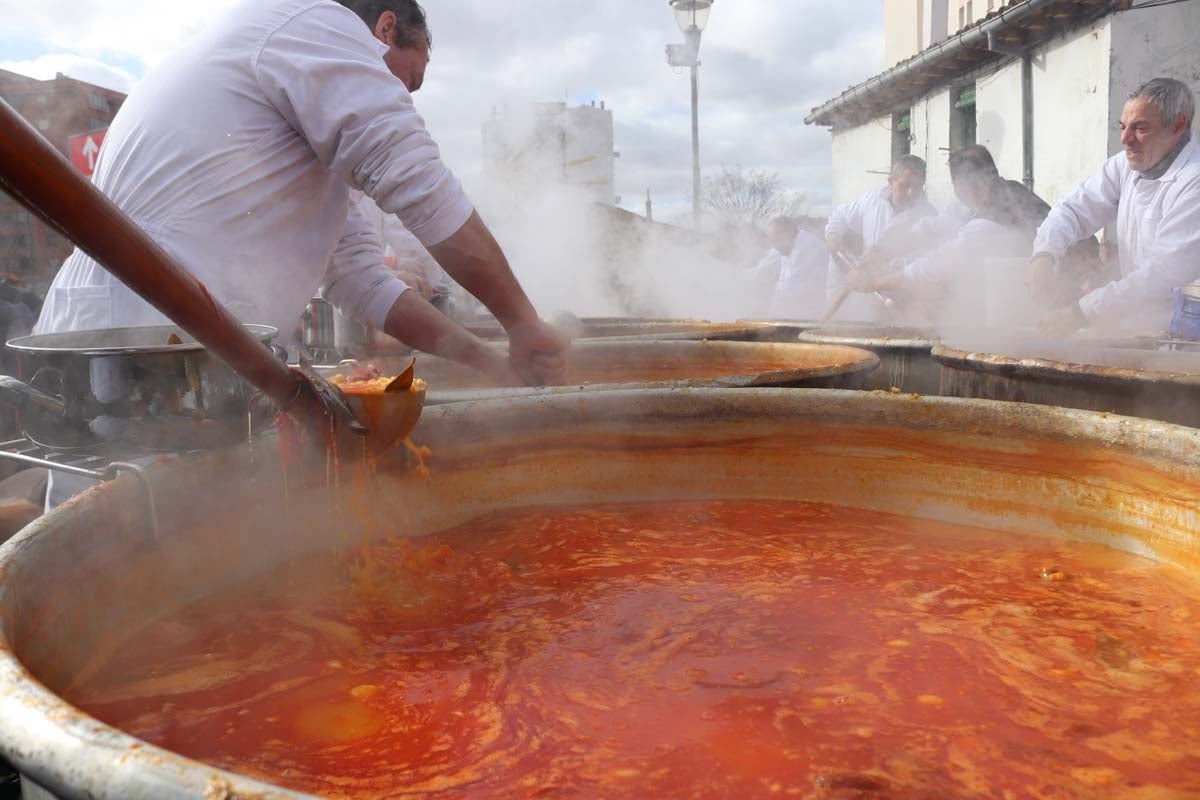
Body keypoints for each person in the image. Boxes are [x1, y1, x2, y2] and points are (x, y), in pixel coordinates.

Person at [34, 0, 568, 387]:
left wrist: (490, 362)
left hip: (173, 348)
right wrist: (521, 322)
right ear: (384, 29)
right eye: (411, 78)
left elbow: (359, 279)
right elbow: (417, 180)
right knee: (133, 533)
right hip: (148, 339)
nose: (404, 98)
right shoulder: (311, 24)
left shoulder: (304, 121)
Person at [847, 146, 1097, 323]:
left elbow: (934, 266)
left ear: (962, 185)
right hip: (1050, 302)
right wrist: (881, 250)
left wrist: (873, 283)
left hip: (1062, 309)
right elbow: (936, 226)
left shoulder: (992, 219)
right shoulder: (1001, 192)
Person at [1030, 77, 1200, 336]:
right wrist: (1044, 255)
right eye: (1123, 127)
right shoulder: (1124, 166)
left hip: (1186, 336)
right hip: (1143, 325)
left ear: (1178, 125)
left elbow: (1163, 274)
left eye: (1140, 128)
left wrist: (1081, 312)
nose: (1125, 139)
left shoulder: (1194, 180)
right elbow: (1073, 210)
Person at [824, 154, 938, 321]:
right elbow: (840, 215)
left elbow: (926, 263)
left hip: (905, 302)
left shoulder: (929, 216)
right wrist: (833, 234)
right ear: (891, 182)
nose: (910, 193)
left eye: (917, 187)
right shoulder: (871, 201)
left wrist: (879, 273)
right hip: (869, 296)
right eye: (904, 185)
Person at [750, 217, 829, 319]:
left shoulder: (806, 247)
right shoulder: (787, 243)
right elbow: (765, 269)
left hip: (814, 309)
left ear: (788, 233)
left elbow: (790, 290)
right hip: (801, 306)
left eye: (776, 240)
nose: (775, 246)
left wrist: (769, 317)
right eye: (772, 241)